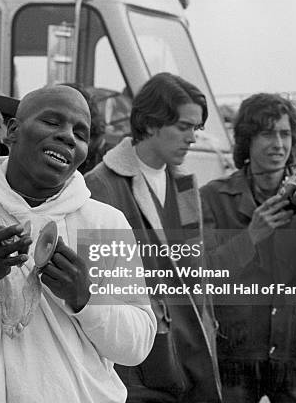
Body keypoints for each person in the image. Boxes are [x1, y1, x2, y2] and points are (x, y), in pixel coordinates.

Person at [0, 85, 157, 403]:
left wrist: (84, 296)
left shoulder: (106, 225)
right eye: (52, 122)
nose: (67, 136)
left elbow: (137, 346)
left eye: (80, 132)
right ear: (13, 131)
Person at [85, 72, 222, 402]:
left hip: (191, 356)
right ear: (150, 123)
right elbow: (96, 295)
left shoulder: (187, 185)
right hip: (137, 368)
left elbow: (197, 274)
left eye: (196, 128)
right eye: (183, 127)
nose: (192, 138)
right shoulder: (100, 186)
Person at [200, 93, 296, 402]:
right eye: (267, 133)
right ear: (248, 139)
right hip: (236, 352)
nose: (279, 144)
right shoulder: (213, 197)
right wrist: (251, 236)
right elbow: (201, 277)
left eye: (285, 134)